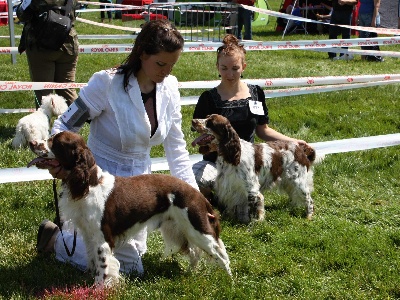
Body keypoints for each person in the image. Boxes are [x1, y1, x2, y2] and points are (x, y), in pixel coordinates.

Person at [35, 19, 199, 276]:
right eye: (160, 64)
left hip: (138, 196)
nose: (166, 72)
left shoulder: (170, 89)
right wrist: (59, 163)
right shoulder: (106, 83)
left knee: (133, 265)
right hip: (98, 190)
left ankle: (76, 237)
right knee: (130, 268)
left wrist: (195, 197)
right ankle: (55, 239)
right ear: (143, 54)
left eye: (172, 65)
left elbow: (177, 150)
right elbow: (65, 125)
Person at [191, 34, 308, 206]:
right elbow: (199, 131)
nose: (229, 74)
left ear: (243, 67)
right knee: (194, 180)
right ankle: (213, 202)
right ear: (217, 67)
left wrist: (293, 142)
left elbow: (263, 130)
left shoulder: (255, 94)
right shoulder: (208, 98)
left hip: (249, 163)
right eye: (224, 68)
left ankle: (239, 196)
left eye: (235, 68)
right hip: (216, 162)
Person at [16, 0, 79, 108]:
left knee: (43, 93)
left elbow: (22, 14)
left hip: (42, 44)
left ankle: (43, 124)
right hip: (68, 42)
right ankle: (77, 121)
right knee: (67, 90)